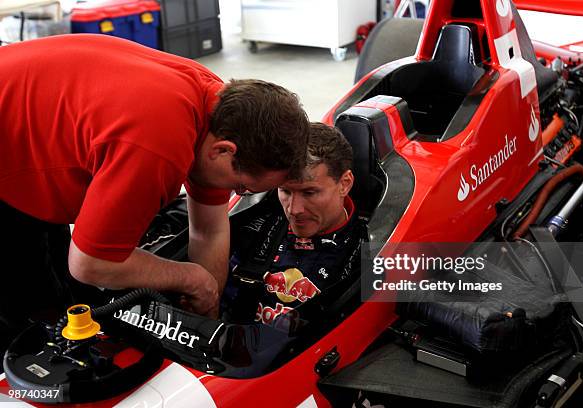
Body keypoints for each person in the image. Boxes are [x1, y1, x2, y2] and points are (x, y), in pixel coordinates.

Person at [0, 34, 309, 355]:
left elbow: (209, 228)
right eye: (241, 187)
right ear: (223, 151)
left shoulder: (221, 110)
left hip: (23, 137)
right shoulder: (157, 146)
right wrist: (189, 279)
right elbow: (91, 263)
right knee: (25, 331)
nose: (236, 193)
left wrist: (208, 315)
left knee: (63, 297)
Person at [226, 123, 364, 328]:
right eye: (286, 191)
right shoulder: (253, 227)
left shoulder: (380, 249)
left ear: (345, 184)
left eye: (309, 193)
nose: (294, 209)